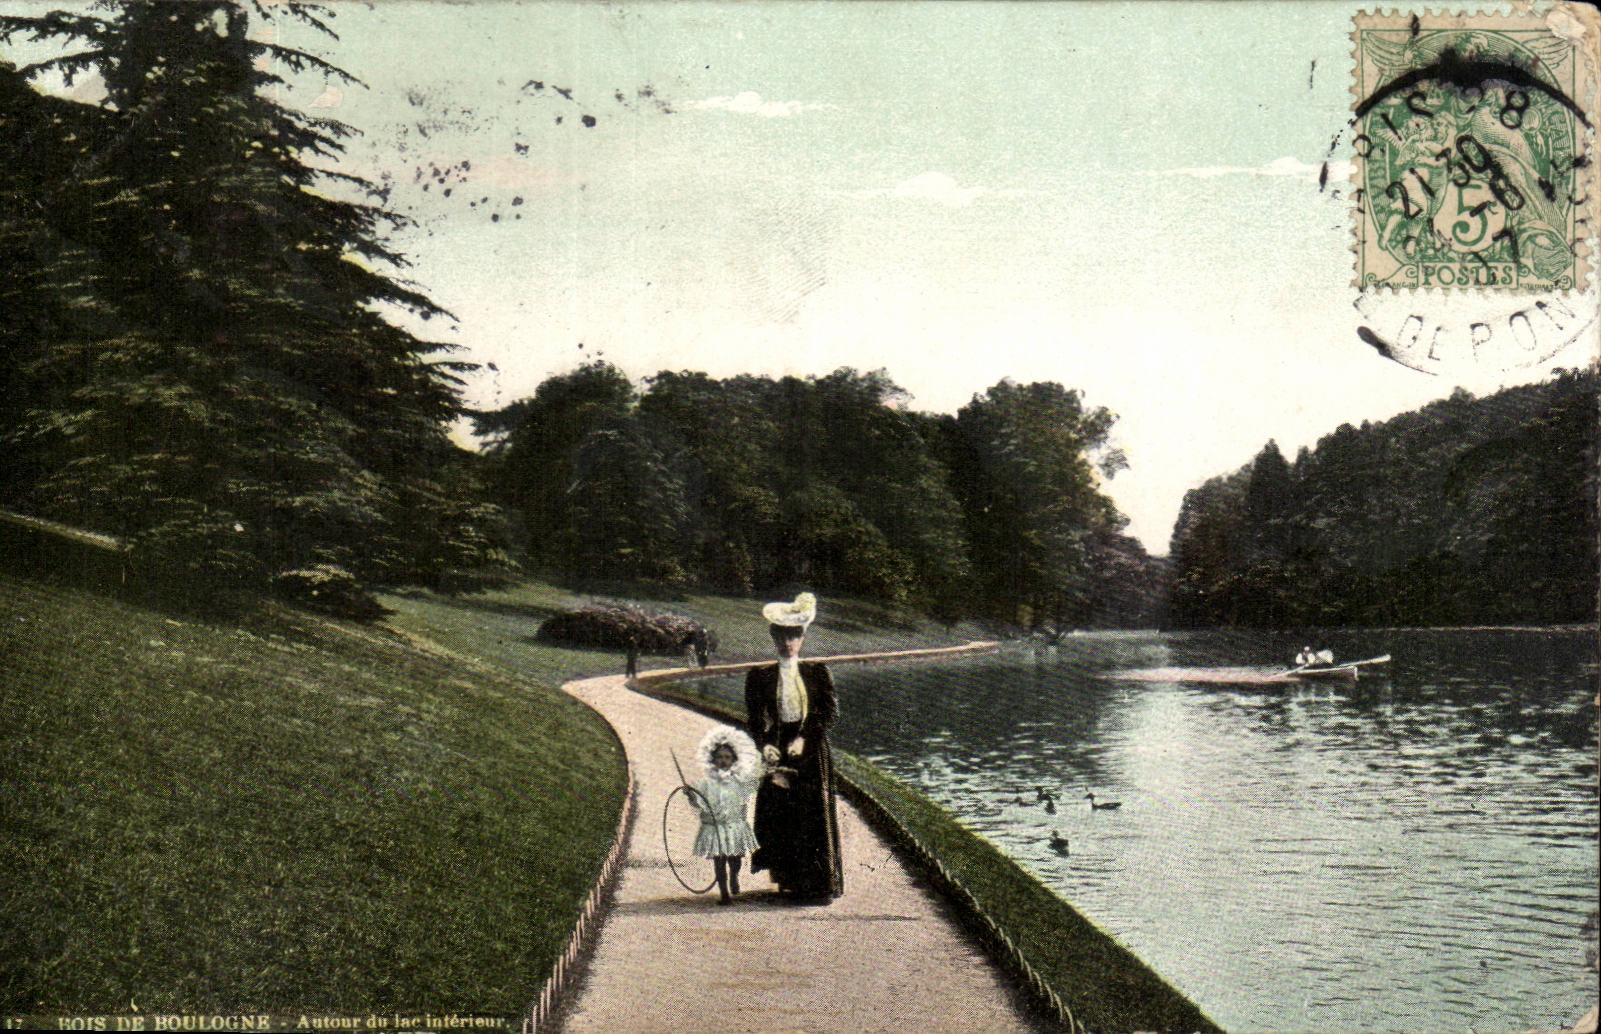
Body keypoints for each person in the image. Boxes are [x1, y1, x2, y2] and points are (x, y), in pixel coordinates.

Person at [745, 592, 843, 901]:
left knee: (811, 814)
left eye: (794, 636)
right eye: (783, 636)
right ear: (774, 637)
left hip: (811, 747)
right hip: (778, 745)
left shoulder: (817, 672)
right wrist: (764, 746)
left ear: (802, 638)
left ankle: (817, 884)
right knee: (782, 814)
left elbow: (827, 713)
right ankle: (789, 880)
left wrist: (804, 737)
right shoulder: (761, 676)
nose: (789, 643)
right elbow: (754, 719)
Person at [687, 725, 762, 905]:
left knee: (735, 859)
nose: (723, 761)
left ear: (733, 760)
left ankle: (734, 876)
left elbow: (753, 784)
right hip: (715, 828)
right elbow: (699, 802)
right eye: (719, 757)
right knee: (719, 860)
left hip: (734, 826)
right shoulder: (706, 784)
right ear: (713, 760)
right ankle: (724, 894)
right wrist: (692, 796)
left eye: (727, 757)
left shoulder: (739, 781)